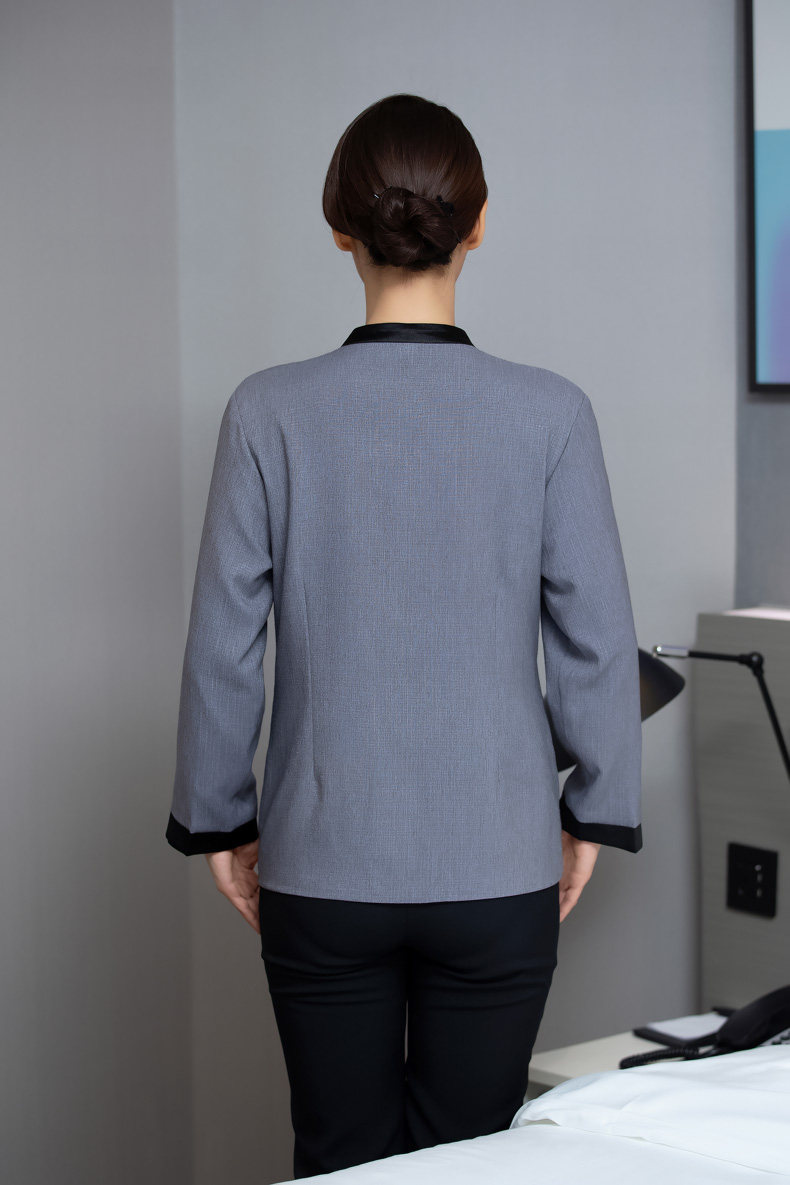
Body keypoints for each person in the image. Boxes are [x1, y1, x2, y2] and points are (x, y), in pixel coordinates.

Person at [165, 92, 643, 1179]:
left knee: (339, 1158)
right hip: (498, 866)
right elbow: (597, 640)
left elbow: (223, 644)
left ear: (339, 226)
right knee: (470, 1163)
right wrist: (593, 810)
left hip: (320, 864)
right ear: (479, 223)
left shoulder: (268, 410)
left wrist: (219, 820)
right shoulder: (551, 412)